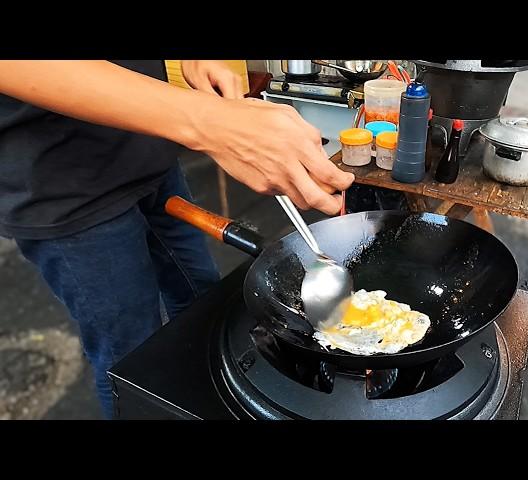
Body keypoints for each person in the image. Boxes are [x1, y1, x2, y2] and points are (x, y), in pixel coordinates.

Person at [0, 60, 355, 418]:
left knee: (203, 303)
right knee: (130, 358)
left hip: (149, 145)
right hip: (62, 187)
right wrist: (208, 121)